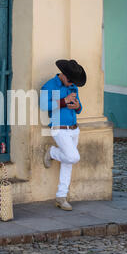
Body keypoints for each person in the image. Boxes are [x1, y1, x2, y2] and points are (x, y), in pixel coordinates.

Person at [40, 59, 86, 211]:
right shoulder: (49, 86)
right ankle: (52, 152)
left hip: (74, 128)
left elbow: (78, 108)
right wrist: (63, 101)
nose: (71, 83)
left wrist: (77, 106)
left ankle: (61, 196)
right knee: (73, 157)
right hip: (58, 128)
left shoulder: (73, 87)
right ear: (63, 75)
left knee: (68, 163)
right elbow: (43, 105)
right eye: (70, 80)